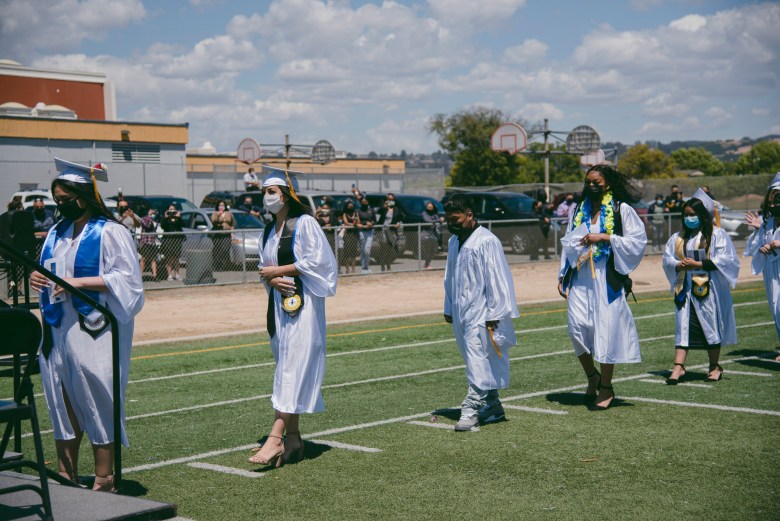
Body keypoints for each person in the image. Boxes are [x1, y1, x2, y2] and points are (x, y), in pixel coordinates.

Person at [29, 158, 143, 492]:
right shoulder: (55, 233)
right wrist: (38, 275)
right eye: (57, 201)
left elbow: (129, 283)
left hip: (94, 329)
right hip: (57, 327)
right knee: (61, 397)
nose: (61, 207)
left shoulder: (111, 232)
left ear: (84, 196)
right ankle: (66, 474)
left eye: (67, 200)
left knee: (95, 395)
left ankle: (103, 477)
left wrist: (80, 282)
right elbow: (48, 269)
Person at [250, 166, 337, 467]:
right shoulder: (267, 231)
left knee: (291, 369)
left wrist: (279, 271)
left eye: (271, 192)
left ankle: (275, 439)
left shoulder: (305, 224)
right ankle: (295, 438)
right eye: (264, 192)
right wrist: (271, 278)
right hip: (278, 308)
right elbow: (263, 268)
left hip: (304, 309)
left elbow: (320, 262)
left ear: (287, 195)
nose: (267, 197)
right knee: (288, 366)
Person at [557, 165, 647, 410]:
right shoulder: (579, 209)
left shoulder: (621, 209)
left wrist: (606, 238)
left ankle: (606, 386)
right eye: (588, 181)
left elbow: (637, 241)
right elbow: (568, 243)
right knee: (576, 330)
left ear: (607, 184)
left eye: (596, 181)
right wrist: (563, 274)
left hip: (607, 278)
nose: (591, 186)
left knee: (606, 331)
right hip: (581, 277)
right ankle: (592, 377)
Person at [443, 194, 520, 431]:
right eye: (448, 220)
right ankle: (493, 403)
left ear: (470, 215)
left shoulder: (486, 241)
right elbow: (450, 277)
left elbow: (498, 279)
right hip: (461, 309)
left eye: (456, 219)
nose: (451, 224)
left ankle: (472, 407)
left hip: (483, 311)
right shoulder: (454, 241)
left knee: (478, 358)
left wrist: (495, 313)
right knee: (474, 358)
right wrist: (448, 306)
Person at [662, 188, 739, 384]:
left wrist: (699, 265)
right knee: (683, 325)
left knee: (709, 323)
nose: (689, 218)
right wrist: (677, 264)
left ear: (702, 215)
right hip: (684, 287)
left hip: (707, 287)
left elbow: (727, 259)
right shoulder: (678, 237)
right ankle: (678, 367)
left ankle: (714, 366)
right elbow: (667, 258)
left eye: (692, 214)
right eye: (686, 215)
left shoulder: (717, 234)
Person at [744, 172, 780, 353]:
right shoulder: (768, 222)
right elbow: (755, 245)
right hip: (772, 269)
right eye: (773, 199)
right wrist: (761, 247)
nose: (775, 204)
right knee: (776, 307)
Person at [376, 195, 403, 271]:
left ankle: (388, 264)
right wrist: (383, 207)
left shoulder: (397, 209)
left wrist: (398, 223)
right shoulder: (383, 209)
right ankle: (382, 265)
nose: (390, 201)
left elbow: (401, 218)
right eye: (389, 199)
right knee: (383, 247)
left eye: (392, 199)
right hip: (383, 230)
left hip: (392, 231)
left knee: (390, 248)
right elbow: (377, 217)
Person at [160, 205, 184, 281]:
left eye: (173, 210)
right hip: (168, 240)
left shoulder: (177, 218)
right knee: (169, 258)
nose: (172, 211)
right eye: (170, 210)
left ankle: (177, 274)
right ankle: (169, 274)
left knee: (176, 258)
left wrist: (179, 217)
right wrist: (165, 217)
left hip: (177, 240)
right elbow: (162, 226)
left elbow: (183, 225)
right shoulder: (166, 219)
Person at [210, 201, 235, 270]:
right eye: (220, 205)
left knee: (225, 249)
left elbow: (232, 224)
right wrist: (218, 215)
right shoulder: (215, 213)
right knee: (217, 250)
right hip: (218, 235)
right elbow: (213, 221)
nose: (221, 207)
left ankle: (226, 265)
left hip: (226, 234)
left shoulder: (229, 213)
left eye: (223, 205)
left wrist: (232, 232)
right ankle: (218, 266)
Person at [355, 197, 375, 274]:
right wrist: (364, 224)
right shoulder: (358, 211)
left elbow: (375, 221)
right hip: (362, 231)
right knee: (362, 249)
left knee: (367, 249)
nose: (364, 203)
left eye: (366, 202)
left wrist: (371, 224)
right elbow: (357, 222)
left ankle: (367, 266)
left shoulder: (371, 210)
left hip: (370, 231)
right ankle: (363, 267)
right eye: (363, 202)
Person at [138, 208, 159, 280]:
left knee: (153, 259)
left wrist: (154, 217)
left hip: (152, 242)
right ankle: (140, 275)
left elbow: (155, 228)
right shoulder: (143, 219)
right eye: (150, 211)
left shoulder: (154, 220)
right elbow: (147, 227)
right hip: (145, 241)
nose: (152, 213)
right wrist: (150, 218)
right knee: (143, 258)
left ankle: (155, 275)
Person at [421, 201, 443, 268]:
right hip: (426, 233)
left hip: (433, 233)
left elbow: (438, 221)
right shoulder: (424, 213)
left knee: (434, 250)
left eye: (431, 207)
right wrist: (439, 220)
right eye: (428, 207)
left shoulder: (434, 214)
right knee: (427, 249)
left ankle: (427, 264)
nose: (429, 208)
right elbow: (427, 221)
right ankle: (427, 264)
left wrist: (439, 220)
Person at [340, 201, 359, 274]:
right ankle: (347, 268)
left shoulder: (355, 213)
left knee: (353, 253)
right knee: (347, 252)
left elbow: (358, 221)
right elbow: (346, 222)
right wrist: (352, 224)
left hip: (354, 233)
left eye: (352, 206)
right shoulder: (345, 214)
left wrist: (355, 223)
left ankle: (353, 269)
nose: (351, 208)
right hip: (347, 234)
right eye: (349, 206)